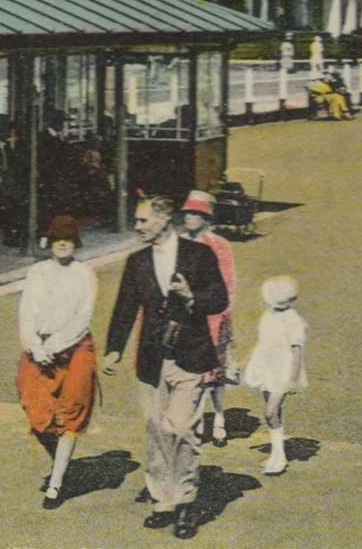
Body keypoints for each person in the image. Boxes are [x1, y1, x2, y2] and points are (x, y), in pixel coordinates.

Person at [103, 195, 229, 539]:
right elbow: (125, 307)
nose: (138, 226)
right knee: (156, 428)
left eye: (143, 220)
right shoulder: (137, 260)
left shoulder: (198, 255)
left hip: (190, 356)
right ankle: (163, 501)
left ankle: (186, 500)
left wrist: (191, 297)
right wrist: (113, 349)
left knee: (182, 428)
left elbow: (220, 298)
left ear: (163, 220)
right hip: (152, 360)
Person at [17, 215, 101, 510]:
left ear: (75, 243)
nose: (63, 245)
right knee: (36, 410)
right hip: (39, 348)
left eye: (68, 240)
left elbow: (82, 316)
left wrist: (54, 345)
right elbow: (26, 312)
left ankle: (57, 483)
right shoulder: (38, 272)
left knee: (70, 412)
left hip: (74, 347)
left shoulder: (85, 273)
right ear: (49, 243)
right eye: (57, 240)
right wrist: (35, 345)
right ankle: (60, 461)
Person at [181, 191, 237, 446]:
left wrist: (220, 313)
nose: (190, 218)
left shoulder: (219, 245)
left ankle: (218, 419)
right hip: (187, 317)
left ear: (206, 217)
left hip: (214, 315)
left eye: (196, 213)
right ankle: (195, 422)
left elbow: (228, 283)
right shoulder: (178, 242)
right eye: (188, 213)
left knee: (215, 373)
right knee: (190, 374)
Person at [242, 274, 308, 476]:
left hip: (283, 371)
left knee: (270, 412)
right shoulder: (268, 314)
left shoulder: (293, 320)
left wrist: (292, 379)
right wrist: (244, 361)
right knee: (274, 413)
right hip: (266, 367)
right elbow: (262, 342)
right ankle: (277, 454)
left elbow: (297, 351)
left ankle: (279, 456)